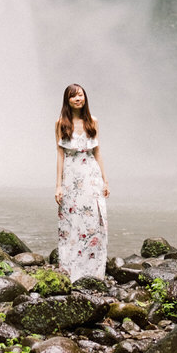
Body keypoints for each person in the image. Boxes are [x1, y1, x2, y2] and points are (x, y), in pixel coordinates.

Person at [55, 82, 109, 280]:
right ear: (67, 100)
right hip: (71, 174)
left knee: (95, 218)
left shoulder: (92, 121)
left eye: (81, 95)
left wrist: (105, 180)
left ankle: (94, 271)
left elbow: (98, 151)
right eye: (73, 96)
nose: (78, 98)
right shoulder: (61, 123)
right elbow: (60, 155)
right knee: (72, 219)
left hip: (91, 173)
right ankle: (72, 270)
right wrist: (58, 185)